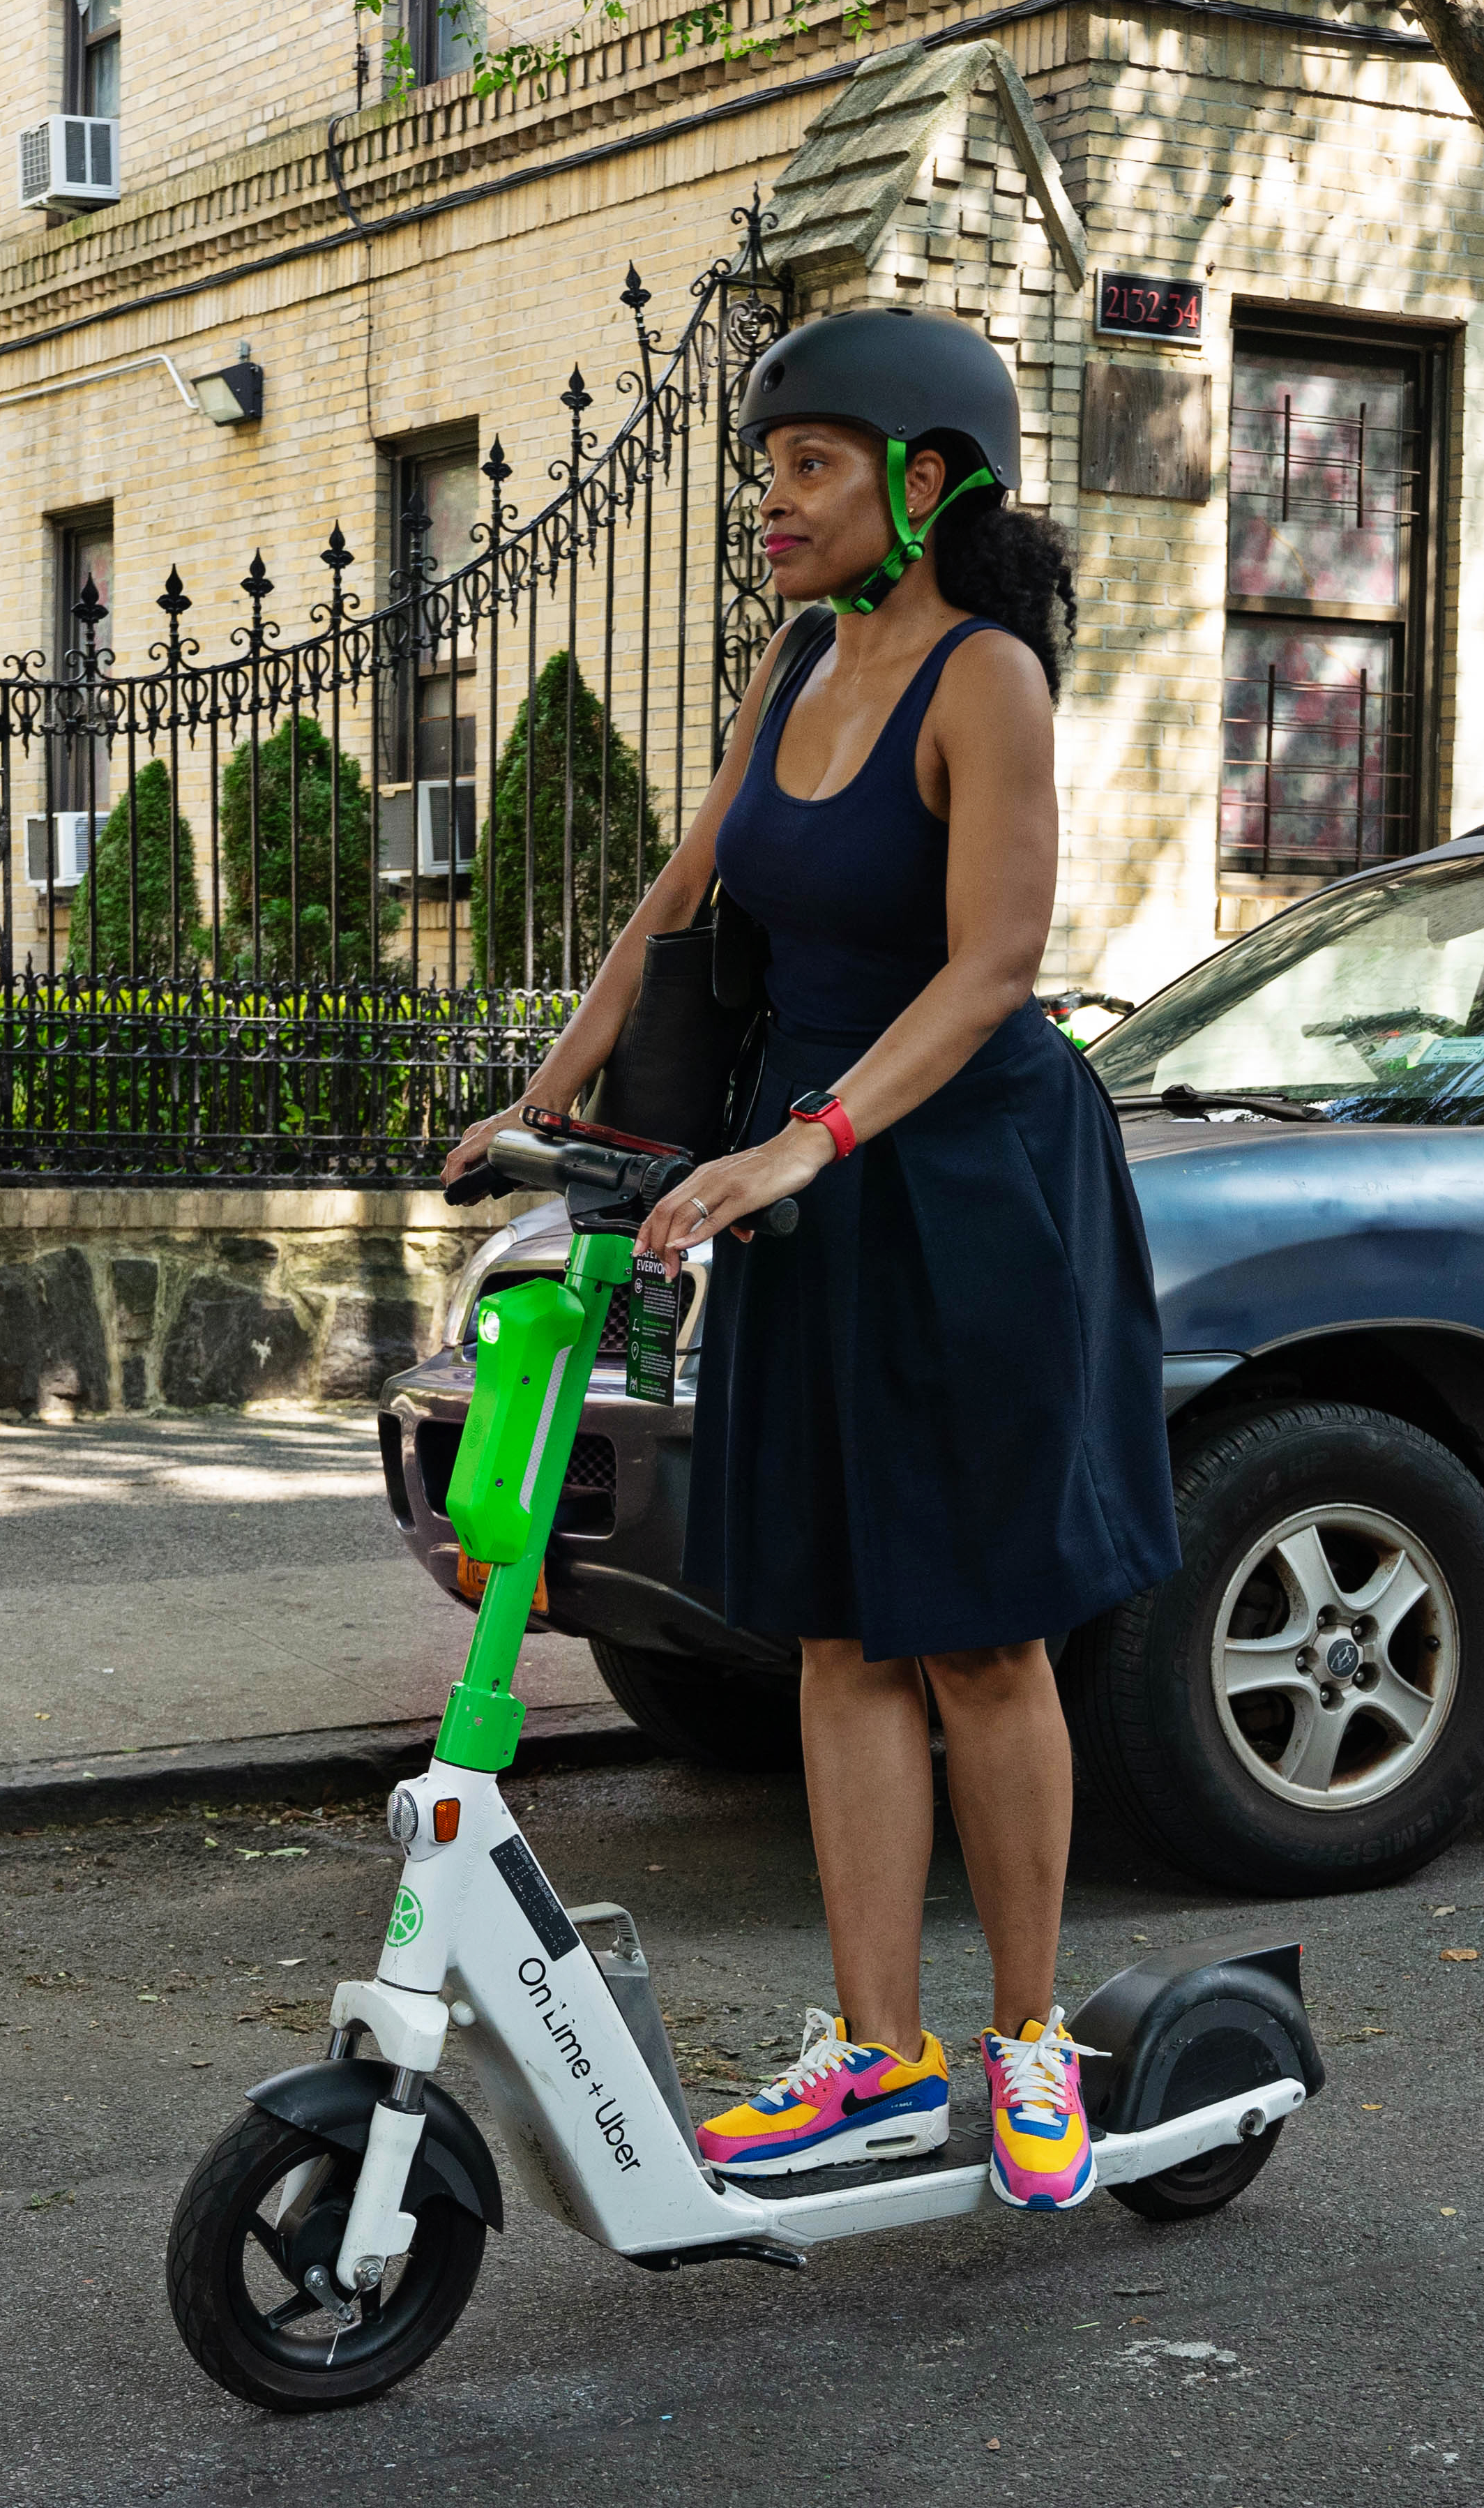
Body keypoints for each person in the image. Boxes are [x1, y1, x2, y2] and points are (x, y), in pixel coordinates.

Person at [442, 309, 1181, 2209]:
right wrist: (545, 1095)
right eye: (764, 471)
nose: (768, 504)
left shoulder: (986, 680)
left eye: (809, 468)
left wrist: (804, 1137)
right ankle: (872, 2052)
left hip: (964, 1188)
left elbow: (994, 965)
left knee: (977, 1629)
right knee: (842, 1631)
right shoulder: (798, 667)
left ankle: (1028, 2046)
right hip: (808, 1190)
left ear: (929, 482)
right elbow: (682, 897)